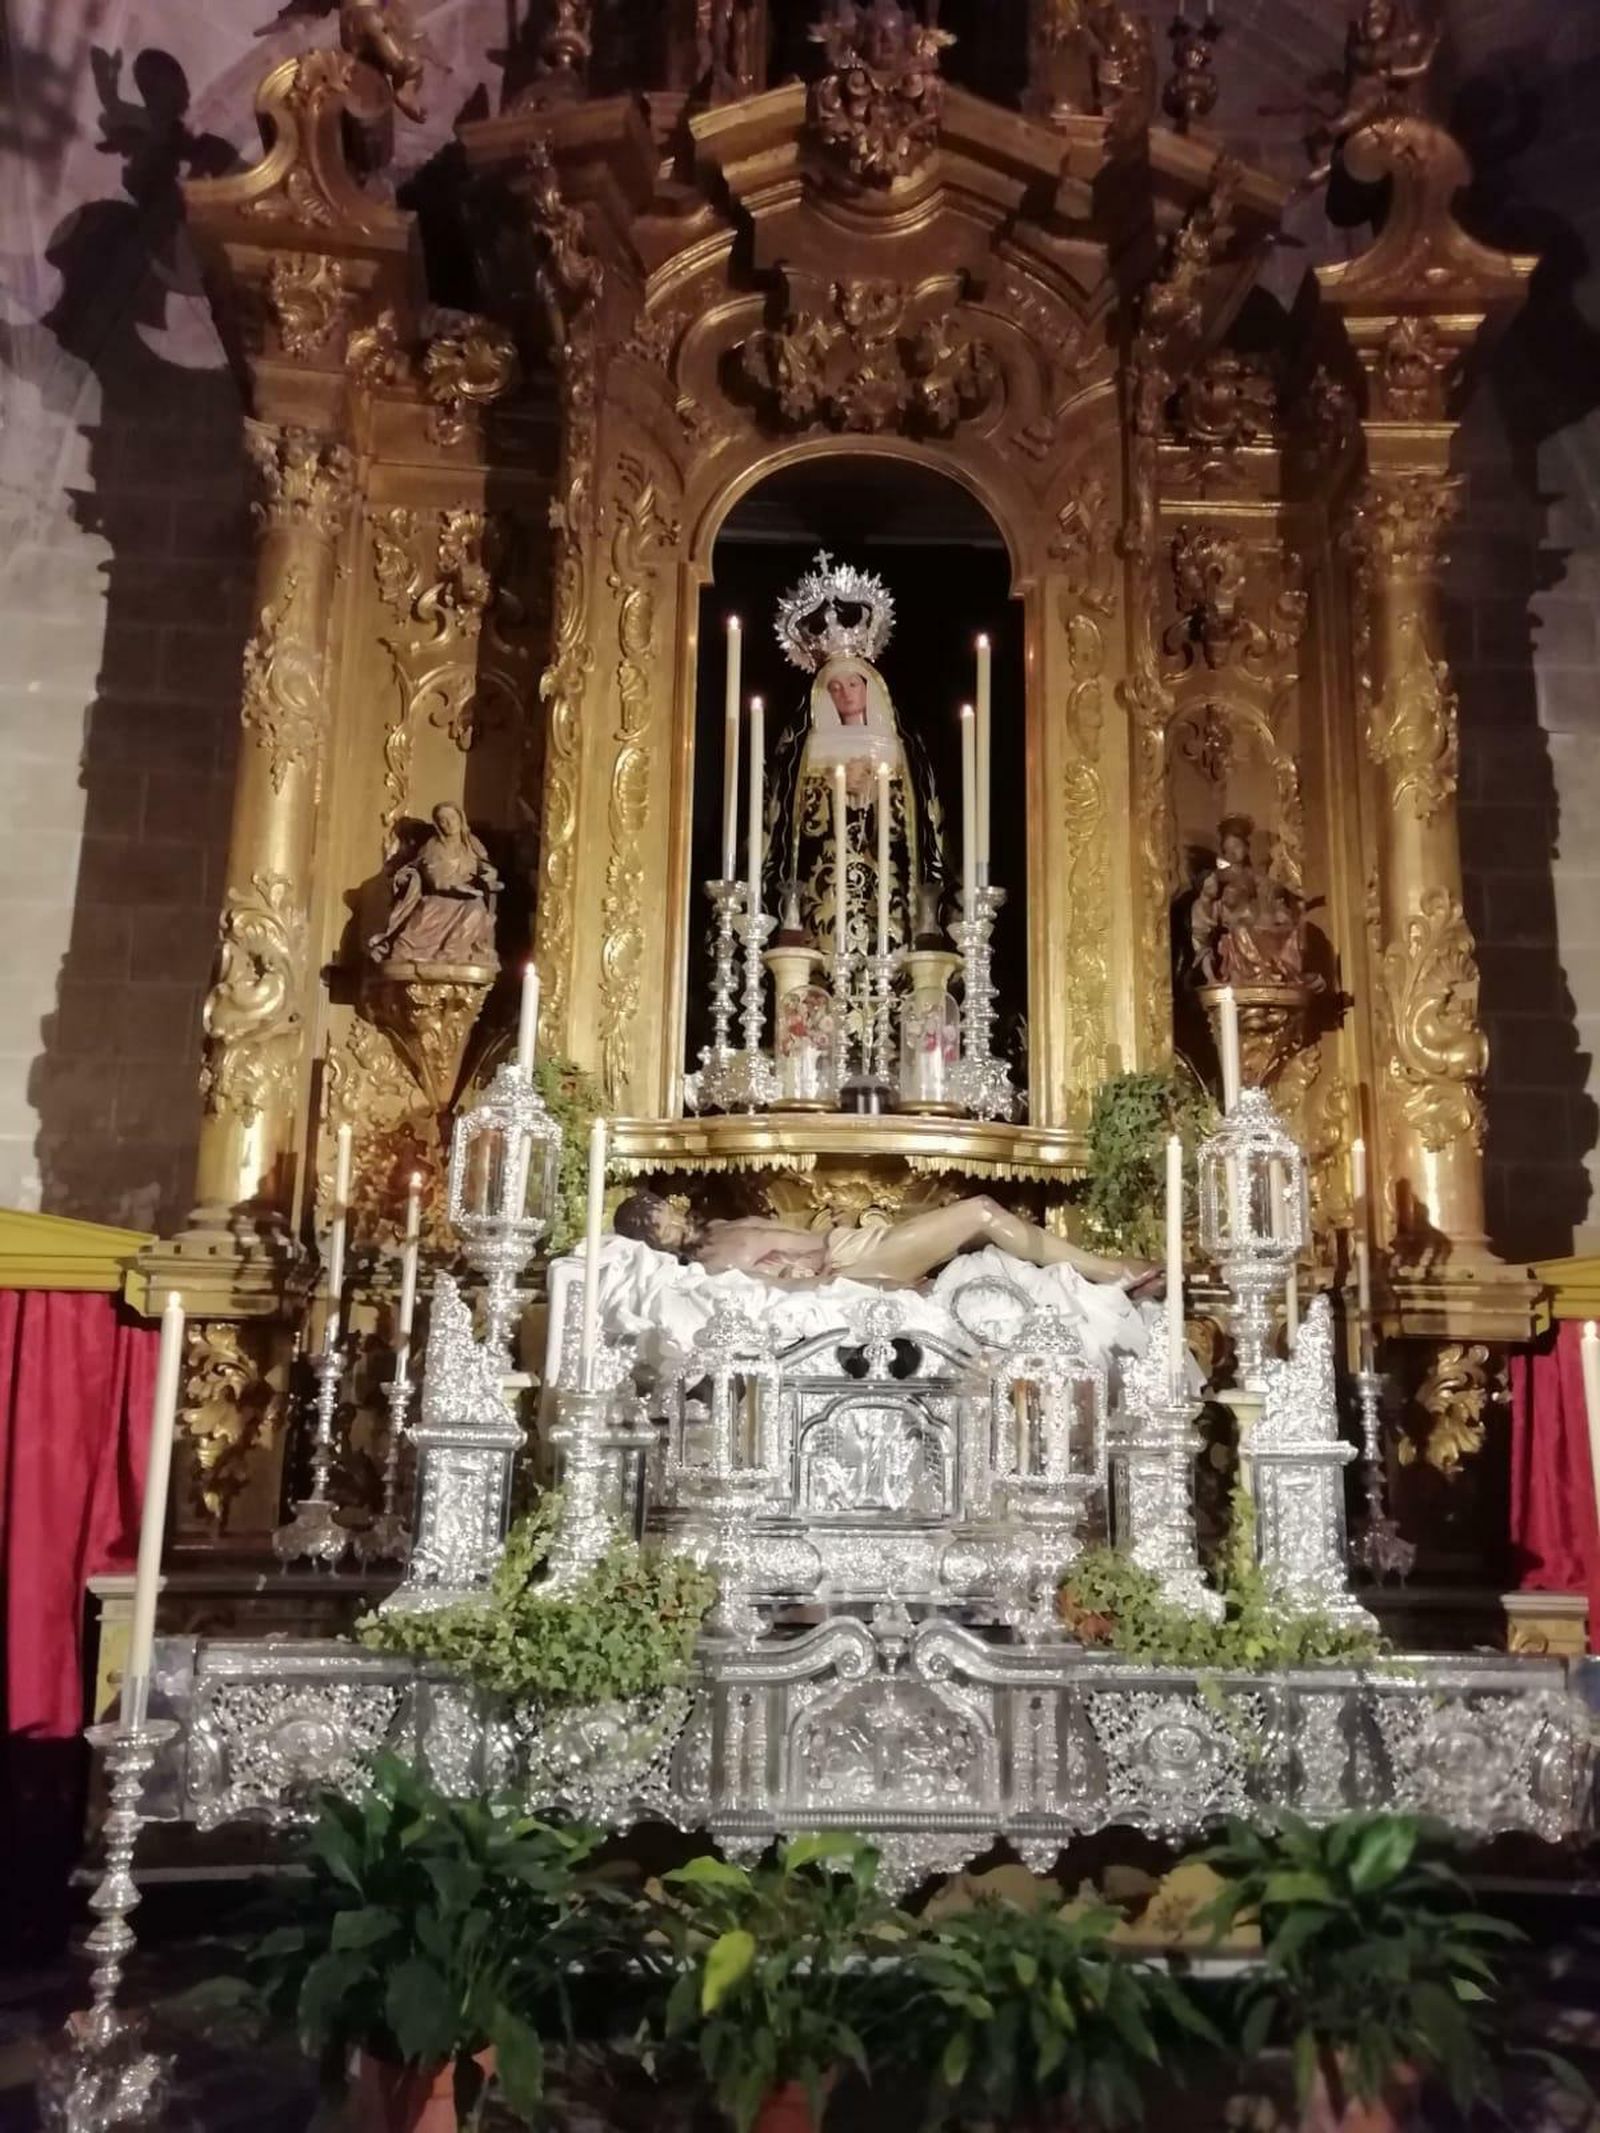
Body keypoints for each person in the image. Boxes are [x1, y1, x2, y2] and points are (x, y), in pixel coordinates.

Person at [612, 1190, 1160, 1297]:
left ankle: (1099, 1275)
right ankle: (1107, 1271)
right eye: (662, 1227)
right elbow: (796, 1291)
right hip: (856, 1259)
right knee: (981, 1212)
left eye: (667, 1210)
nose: (674, 1220)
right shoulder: (713, 1265)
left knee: (977, 1228)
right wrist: (876, 1285)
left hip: (855, 1238)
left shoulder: (719, 1227)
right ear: (656, 1245)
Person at [368, 803, 501, 967]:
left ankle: (451, 953)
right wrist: (452, 887)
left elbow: (484, 866)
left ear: (460, 819)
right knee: (416, 929)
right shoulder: (432, 846)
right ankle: (413, 950)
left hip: (469, 898)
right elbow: (432, 875)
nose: (449, 824)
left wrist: (489, 874)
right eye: (443, 820)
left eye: (452, 818)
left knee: (477, 909)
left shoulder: (472, 844)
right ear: (438, 824)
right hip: (439, 898)